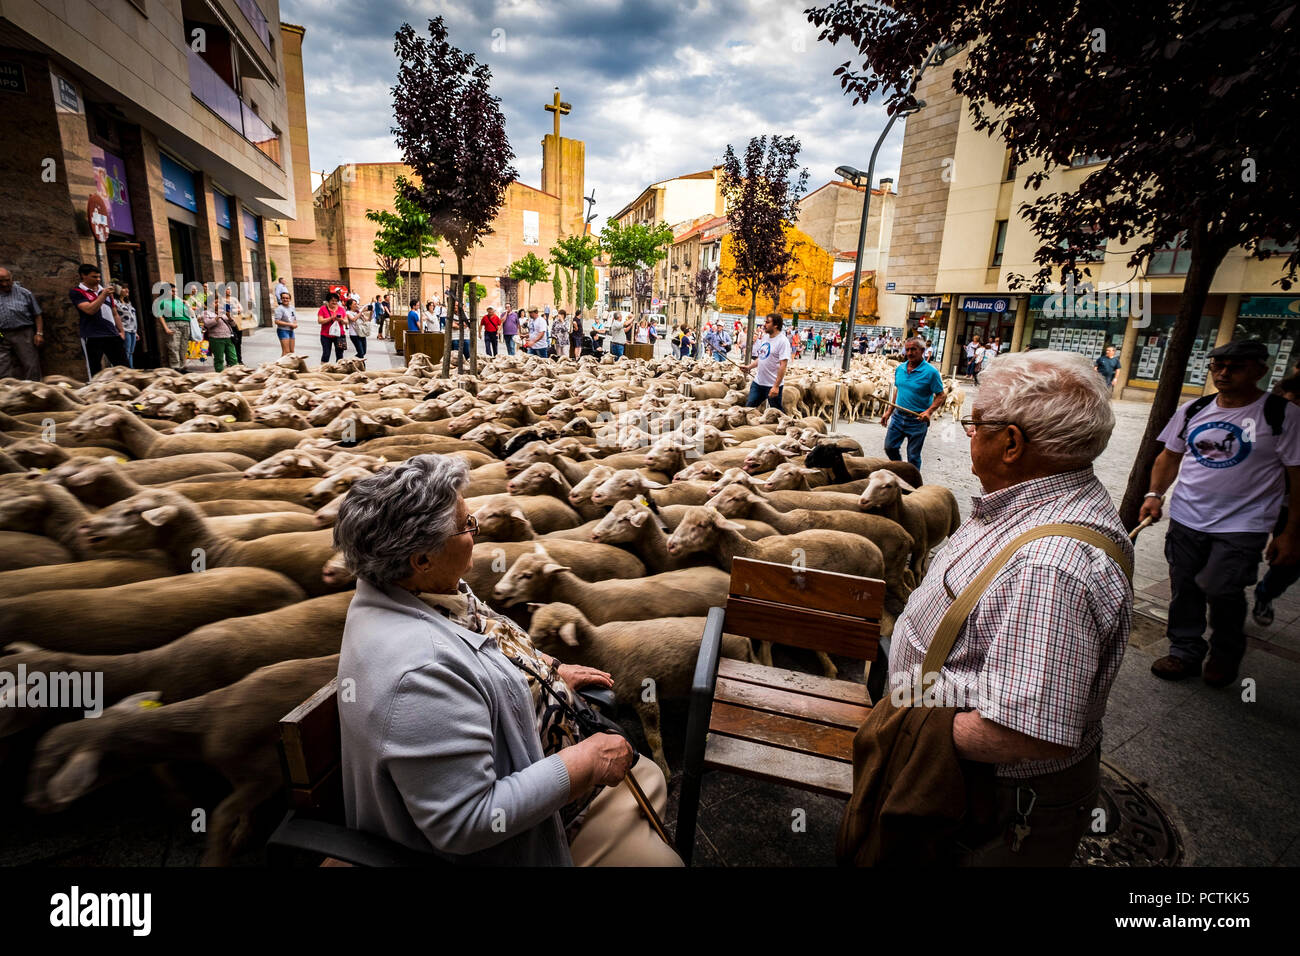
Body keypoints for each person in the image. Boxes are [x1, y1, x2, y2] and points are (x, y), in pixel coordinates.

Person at [333, 454, 681, 866]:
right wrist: (586, 762)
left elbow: (483, 651)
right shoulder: (419, 674)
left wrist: (542, 675)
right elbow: (469, 822)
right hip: (524, 841)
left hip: (533, 767)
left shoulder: (424, 592)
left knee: (648, 777)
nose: (476, 530)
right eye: (466, 525)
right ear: (421, 559)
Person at [885, 350, 1132, 866]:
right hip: (965, 777)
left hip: (983, 801)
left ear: (1013, 442)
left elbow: (1026, 729)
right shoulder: (1031, 504)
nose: (968, 434)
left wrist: (911, 731)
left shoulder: (1048, 566)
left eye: (974, 424)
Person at [1140, 340, 1300, 686]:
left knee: (1221, 587)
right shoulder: (1194, 410)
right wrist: (1155, 493)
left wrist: (1290, 533)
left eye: (1236, 366)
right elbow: (1170, 456)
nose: (1224, 373)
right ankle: (1184, 652)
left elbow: (1297, 475)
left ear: (1260, 369)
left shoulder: (1282, 415)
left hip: (1244, 523)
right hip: (1186, 516)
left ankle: (1226, 653)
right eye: (1218, 366)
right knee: (1184, 587)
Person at [1254, 375, 1300, 626]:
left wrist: (1290, 534)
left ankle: (1266, 593)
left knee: (1289, 561)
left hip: (1291, 504)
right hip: (1268, 503)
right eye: (1289, 399)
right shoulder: (1267, 423)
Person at [881, 336, 946, 475]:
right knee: (889, 447)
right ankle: (901, 471)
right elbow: (899, 390)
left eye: (913, 349)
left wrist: (928, 412)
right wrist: (889, 412)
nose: (909, 353)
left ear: (922, 350)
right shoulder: (900, 369)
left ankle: (913, 482)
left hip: (917, 420)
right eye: (907, 349)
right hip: (898, 417)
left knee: (913, 455)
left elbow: (941, 395)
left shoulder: (931, 372)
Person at [69, 263, 127, 371]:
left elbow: (114, 313)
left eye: (99, 276)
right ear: (83, 276)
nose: (98, 279)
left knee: (124, 367)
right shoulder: (77, 292)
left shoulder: (105, 291)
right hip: (92, 335)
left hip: (112, 334)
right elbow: (90, 310)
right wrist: (103, 295)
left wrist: (121, 331)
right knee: (95, 369)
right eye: (94, 277)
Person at [0, 267, 44, 380]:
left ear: (12, 278)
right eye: (0, 281)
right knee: (2, 365)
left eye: (7, 280)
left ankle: (34, 391)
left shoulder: (24, 293)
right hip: (1, 334)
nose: (5, 284)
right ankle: (5, 392)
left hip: (23, 332)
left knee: (31, 364)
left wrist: (39, 333)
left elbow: (37, 314)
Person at [743, 313, 790, 410]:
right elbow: (762, 357)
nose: (764, 324)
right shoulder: (765, 337)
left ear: (776, 325)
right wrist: (749, 367)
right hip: (758, 383)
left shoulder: (783, 341)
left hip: (772, 385)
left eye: (767, 322)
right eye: (765, 322)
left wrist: (776, 386)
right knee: (748, 409)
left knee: (776, 413)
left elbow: (783, 365)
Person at [156, 283, 192, 372]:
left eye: (175, 291)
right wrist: (166, 328)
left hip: (185, 323)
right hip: (172, 324)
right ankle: (175, 368)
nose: (174, 292)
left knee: (183, 347)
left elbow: (190, 313)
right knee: (173, 346)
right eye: (172, 291)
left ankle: (182, 366)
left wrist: (187, 304)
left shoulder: (179, 300)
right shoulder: (161, 301)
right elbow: (159, 316)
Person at [202, 300, 237, 372]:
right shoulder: (206, 313)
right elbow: (207, 324)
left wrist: (229, 317)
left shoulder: (224, 313)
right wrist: (217, 317)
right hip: (216, 339)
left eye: (219, 302)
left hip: (228, 338)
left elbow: (234, 325)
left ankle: (235, 374)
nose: (218, 304)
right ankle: (219, 375)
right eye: (215, 302)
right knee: (219, 359)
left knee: (233, 358)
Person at [112, 284, 138, 369]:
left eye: (127, 288)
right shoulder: (115, 302)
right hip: (124, 329)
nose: (127, 290)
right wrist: (120, 330)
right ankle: (127, 370)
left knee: (131, 352)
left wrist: (136, 332)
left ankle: (130, 369)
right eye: (124, 288)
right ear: (118, 290)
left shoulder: (128, 302)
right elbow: (115, 316)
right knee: (125, 352)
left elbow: (132, 317)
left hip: (132, 330)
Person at [318, 292, 347, 364]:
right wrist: (331, 318)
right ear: (328, 301)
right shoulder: (323, 309)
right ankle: (323, 370)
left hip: (339, 335)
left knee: (340, 354)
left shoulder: (341, 309)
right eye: (332, 300)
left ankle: (339, 370)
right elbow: (320, 321)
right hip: (326, 335)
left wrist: (341, 320)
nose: (334, 302)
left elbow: (346, 321)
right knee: (326, 353)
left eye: (336, 301)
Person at [221, 287, 244, 364]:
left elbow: (241, 309)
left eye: (230, 289)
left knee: (238, 342)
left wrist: (233, 310)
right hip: (228, 324)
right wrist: (235, 310)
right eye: (227, 289)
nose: (229, 290)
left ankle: (239, 360)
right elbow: (224, 311)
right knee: (230, 343)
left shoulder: (234, 299)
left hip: (237, 323)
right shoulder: (221, 300)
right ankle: (230, 361)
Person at [273, 291, 297, 356]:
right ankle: (280, 365)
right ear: (281, 299)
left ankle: (289, 366)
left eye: (287, 298)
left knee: (291, 351)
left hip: (291, 331)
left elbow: (294, 318)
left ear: (290, 299)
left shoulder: (292, 308)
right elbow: (277, 321)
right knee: (286, 351)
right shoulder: (279, 309)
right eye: (283, 298)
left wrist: (295, 324)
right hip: (282, 331)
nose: (285, 299)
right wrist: (290, 324)